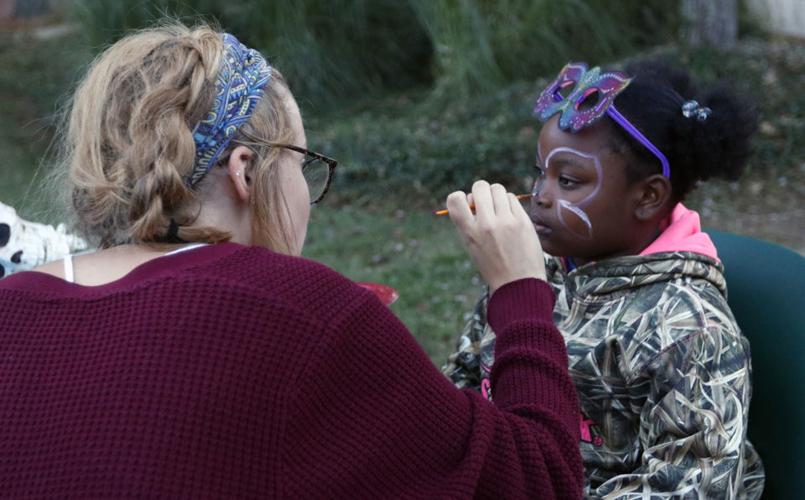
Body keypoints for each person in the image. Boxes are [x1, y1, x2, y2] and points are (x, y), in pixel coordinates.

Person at [0, 23, 583, 498]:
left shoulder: (13, 307)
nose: (308, 191)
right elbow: (538, 481)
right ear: (246, 172)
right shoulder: (305, 314)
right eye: (302, 164)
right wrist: (520, 287)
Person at [442, 60, 765, 498]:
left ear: (648, 196)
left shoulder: (689, 330)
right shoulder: (527, 270)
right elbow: (464, 384)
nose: (540, 195)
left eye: (568, 180)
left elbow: (691, 488)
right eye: (541, 173)